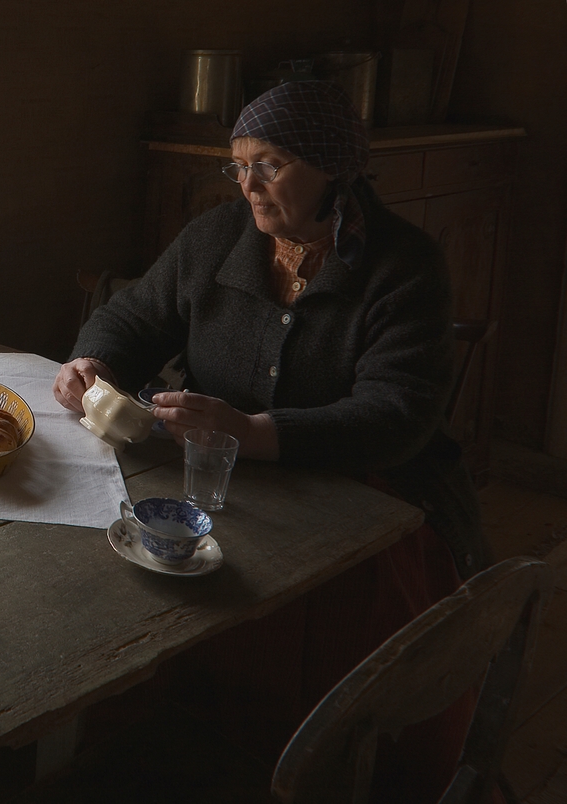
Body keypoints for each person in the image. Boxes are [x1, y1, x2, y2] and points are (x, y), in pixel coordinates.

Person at [56, 81, 490, 801]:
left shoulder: (402, 266)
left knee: (329, 626)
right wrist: (93, 362)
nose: (249, 185)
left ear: (333, 168)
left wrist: (259, 434)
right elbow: (130, 317)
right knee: (124, 576)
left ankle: (307, 772)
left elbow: (398, 415)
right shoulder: (215, 239)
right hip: (217, 479)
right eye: (239, 165)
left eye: (271, 164)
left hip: (373, 495)